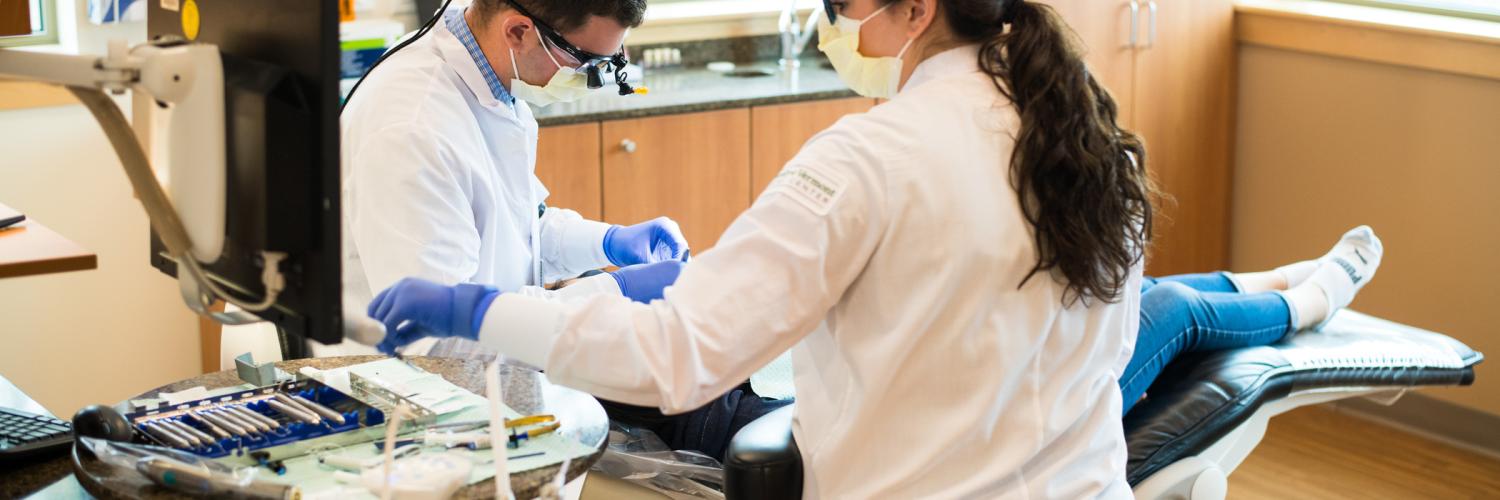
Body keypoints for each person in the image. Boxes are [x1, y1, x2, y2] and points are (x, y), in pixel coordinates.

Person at [366, 0, 1157, 496]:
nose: (835, 22)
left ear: (917, 11)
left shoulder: (868, 159)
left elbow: (675, 356)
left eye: (843, 4)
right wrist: (599, 254)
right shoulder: (1083, 136)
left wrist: (480, 310)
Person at [336, 0, 785, 463]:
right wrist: (614, 290)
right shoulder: (413, 129)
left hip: (508, 363)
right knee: (704, 410)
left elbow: (523, 224)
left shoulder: (492, 82)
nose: (596, 77)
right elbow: (438, 341)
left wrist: (608, 241)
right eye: (588, 62)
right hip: (418, 407)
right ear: (518, 32)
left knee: (705, 384)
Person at [1121, 226, 1384, 414]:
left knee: (1132, 290)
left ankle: (1282, 280)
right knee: (1174, 308)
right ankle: (1315, 300)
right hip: (1079, 413)